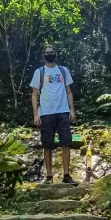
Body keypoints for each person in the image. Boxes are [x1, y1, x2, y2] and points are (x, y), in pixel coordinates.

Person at [30, 46, 77, 185]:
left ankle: (66, 175)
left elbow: (69, 91)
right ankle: (49, 176)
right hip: (46, 113)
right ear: (43, 55)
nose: (50, 54)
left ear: (56, 54)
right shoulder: (40, 72)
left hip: (62, 111)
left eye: (52, 52)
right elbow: (33, 94)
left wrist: (72, 110)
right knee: (47, 145)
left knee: (66, 143)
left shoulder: (63, 70)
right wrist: (35, 114)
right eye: (47, 53)